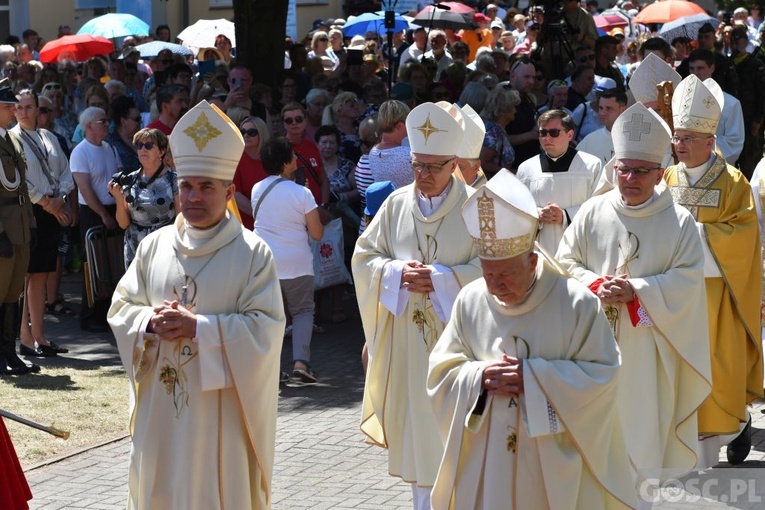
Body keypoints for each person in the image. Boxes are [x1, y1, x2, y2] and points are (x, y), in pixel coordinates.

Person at [107, 100, 285, 509]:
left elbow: (266, 329)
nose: (194, 196)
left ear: (229, 191)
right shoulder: (154, 246)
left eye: (207, 187)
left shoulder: (253, 254)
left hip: (219, 415)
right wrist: (150, 322)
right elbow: (121, 308)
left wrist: (199, 327)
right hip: (160, 419)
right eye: (187, 186)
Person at [428, 169, 636, 510]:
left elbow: (604, 374)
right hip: (490, 453)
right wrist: (479, 377)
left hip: (552, 460)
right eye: (487, 272)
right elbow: (441, 371)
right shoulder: (471, 300)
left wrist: (535, 378)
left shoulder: (576, 303)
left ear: (533, 260)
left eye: (507, 273)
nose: (495, 285)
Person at [557, 102, 712, 500]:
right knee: (593, 449)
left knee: (640, 448)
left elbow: (688, 279)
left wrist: (637, 291)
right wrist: (595, 284)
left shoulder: (680, 223)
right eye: (623, 169)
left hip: (649, 353)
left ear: (660, 174)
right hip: (592, 347)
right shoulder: (592, 212)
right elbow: (564, 263)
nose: (629, 178)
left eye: (641, 171)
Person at [352, 102, 481, 510]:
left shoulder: (479, 207)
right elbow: (364, 256)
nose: (422, 176)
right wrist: (394, 274)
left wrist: (443, 279)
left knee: (459, 442)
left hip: (461, 349)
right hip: (409, 347)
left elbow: (496, 270)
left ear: (454, 163)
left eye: (433, 167)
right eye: (416, 165)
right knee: (419, 441)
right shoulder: (394, 205)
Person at [663, 75, 763, 467]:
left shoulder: (734, 181)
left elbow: (742, 234)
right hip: (674, 292)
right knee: (681, 369)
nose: (680, 144)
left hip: (717, 293)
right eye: (676, 137)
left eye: (688, 137)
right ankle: (687, 442)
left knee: (719, 365)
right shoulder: (667, 179)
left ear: (710, 141)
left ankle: (735, 427)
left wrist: (691, 234)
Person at [252, 137, 323, 385]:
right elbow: (317, 233)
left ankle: (270, 368)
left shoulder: (256, 189)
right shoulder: (302, 193)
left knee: (271, 315)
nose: (296, 159)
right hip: (297, 262)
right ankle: (301, 363)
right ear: (285, 163)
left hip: (264, 263)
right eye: (292, 156)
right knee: (303, 311)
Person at [13, 89, 73, 358]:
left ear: (38, 109)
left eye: (29, 106)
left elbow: (65, 172)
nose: (24, 111)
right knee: (25, 275)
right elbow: (18, 179)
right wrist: (46, 202)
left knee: (41, 276)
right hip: (29, 211)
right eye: (19, 107)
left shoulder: (50, 137)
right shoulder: (12, 138)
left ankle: (40, 337)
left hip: (52, 210)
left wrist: (58, 198)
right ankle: (25, 338)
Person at [516, 109, 603, 254]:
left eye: (554, 133)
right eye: (542, 133)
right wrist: (537, 214)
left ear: (570, 134)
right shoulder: (526, 169)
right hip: (540, 249)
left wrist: (565, 215)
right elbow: (517, 207)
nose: (547, 138)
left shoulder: (591, 165)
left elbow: (600, 207)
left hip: (579, 247)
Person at [71, 106, 123, 332]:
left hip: (113, 210)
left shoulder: (110, 148)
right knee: (93, 264)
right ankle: (90, 316)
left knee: (113, 263)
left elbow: (119, 177)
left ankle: (108, 313)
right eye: (103, 120)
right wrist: (102, 214)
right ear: (89, 126)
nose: (107, 124)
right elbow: (85, 189)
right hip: (93, 213)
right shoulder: (80, 152)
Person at [0, 79, 37, 374]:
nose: (14, 110)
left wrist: (31, 225)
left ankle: (9, 352)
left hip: (20, 225)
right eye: (8, 105)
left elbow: (20, 185)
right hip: (4, 228)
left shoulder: (11, 139)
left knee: (14, 292)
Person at [107, 128, 179, 269]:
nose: (142, 150)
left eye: (148, 146)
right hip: (135, 249)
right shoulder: (130, 180)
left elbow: (181, 218)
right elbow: (123, 224)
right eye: (139, 146)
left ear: (162, 151)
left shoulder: (173, 179)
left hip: (163, 248)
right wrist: (118, 198)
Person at [686, 49, 745, 167]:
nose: (695, 74)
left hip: (718, 168)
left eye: (700, 68)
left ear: (712, 68)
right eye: (692, 68)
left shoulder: (731, 104)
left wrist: (699, 146)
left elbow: (734, 142)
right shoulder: (683, 101)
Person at [281, 102, 330, 221]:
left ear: (305, 121)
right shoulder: (280, 148)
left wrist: (324, 206)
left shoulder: (311, 145)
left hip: (320, 210)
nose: (294, 123)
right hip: (296, 212)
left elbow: (323, 178)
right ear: (284, 124)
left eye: (298, 119)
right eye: (289, 120)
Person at [233, 116, 270, 231]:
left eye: (252, 132)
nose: (246, 135)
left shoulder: (272, 157)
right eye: (243, 132)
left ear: (262, 134)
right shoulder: (236, 158)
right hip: (246, 225)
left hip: (274, 224)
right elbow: (236, 194)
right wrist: (261, 216)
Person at [368, 99, 413, 190]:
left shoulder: (373, 152)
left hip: (383, 203)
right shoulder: (408, 154)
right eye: (408, 122)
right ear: (400, 125)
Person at [576, 88, 628, 166]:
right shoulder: (589, 141)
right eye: (601, 108)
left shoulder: (634, 139)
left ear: (623, 110)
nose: (603, 113)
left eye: (608, 108)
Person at [480, 85, 519, 177]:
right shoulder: (494, 132)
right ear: (504, 109)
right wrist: (509, 172)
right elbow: (482, 163)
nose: (515, 111)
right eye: (513, 107)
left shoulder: (495, 128)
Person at [106, 96, 141, 176]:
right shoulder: (110, 144)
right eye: (137, 119)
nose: (140, 122)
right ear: (123, 121)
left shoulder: (143, 139)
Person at [454, 104, 487, 188]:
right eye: (450, 166)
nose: (453, 173)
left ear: (476, 167)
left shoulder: (484, 197)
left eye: (460, 168)